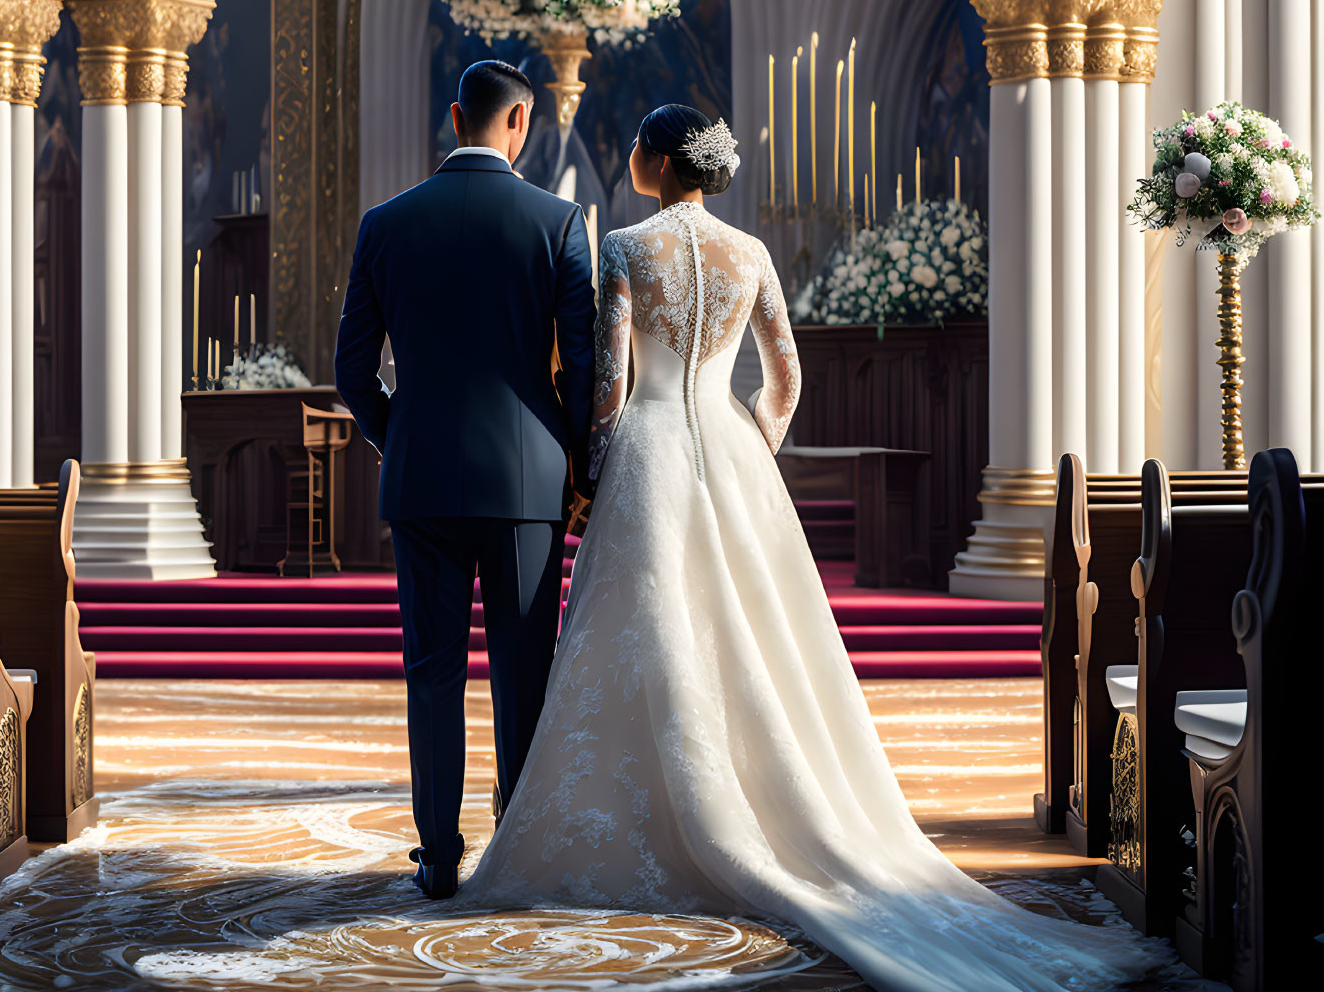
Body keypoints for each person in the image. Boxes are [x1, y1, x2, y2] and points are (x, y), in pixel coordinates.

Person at [462, 104, 1168, 991]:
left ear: (656, 159)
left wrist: (590, 476)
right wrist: (753, 443)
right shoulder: (748, 252)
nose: (630, 157)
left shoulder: (624, 248)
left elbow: (607, 385)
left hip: (646, 448)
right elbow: (787, 375)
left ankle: (641, 815)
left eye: (638, 145)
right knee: (741, 630)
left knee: (645, 625)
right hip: (726, 443)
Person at [334, 60, 597, 901]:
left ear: (456, 117)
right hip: (527, 484)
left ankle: (438, 854)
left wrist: (397, 433)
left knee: (432, 670)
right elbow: (584, 370)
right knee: (523, 671)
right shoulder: (558, 223)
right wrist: (578, 467)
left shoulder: (384, 223)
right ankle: (516, 845)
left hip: (422, 480)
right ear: (518, 123)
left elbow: (350, 372)